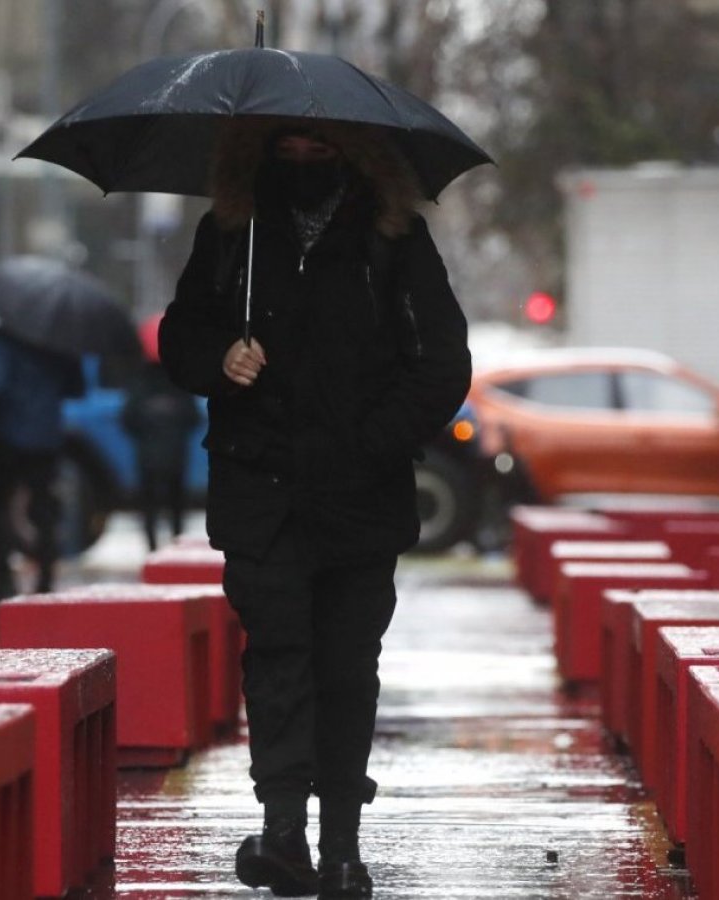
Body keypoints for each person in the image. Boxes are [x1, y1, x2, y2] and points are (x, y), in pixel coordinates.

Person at [159, 120, 471, 898]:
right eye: (286, 150)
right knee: (277, 662)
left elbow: (443, 365)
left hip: (360, 499)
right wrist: (220, 357)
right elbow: (179, 334)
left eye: (318, 150)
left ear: (353, 156)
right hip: (260, 493)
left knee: (344, 670)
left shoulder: (393, 240)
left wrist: (373, 439)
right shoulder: (233, 233)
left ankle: (341, 847)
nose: (300, 163)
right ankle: (283, 832)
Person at [0, 329, 84, 600]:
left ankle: (3, 579)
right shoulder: (60, 341)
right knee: (44, 507)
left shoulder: (5, 338)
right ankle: (45, 578)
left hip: (7, 436)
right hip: (46, 436)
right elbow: (76, 387)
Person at [120, 355, 202, 550]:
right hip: (176, 455)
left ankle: (152, 547)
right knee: (176, 505)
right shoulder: (180, 384)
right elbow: (194, 418)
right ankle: (177, 544)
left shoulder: (139, 385)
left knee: (149, 505)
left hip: (147, 456)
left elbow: (127, 419)